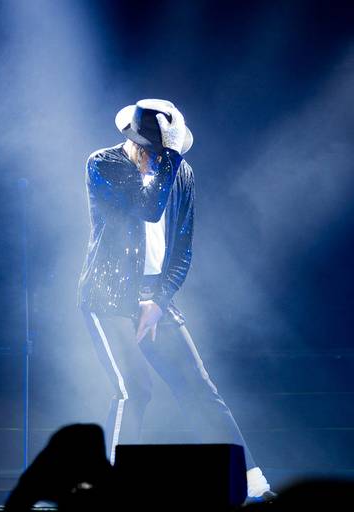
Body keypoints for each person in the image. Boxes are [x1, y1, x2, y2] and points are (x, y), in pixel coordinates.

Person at [77, 98, 274, 500]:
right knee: (134, 389)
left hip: (154, 295)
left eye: (167, 152)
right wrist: (168, 157)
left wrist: (159, 301)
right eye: (157, 151)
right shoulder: (104, 164)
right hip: (109, 294)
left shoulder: (181, 172)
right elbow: (148, 209)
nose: (161, 158)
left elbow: (183, 248)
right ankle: (105, 489)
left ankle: (251, 482)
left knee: (199, 387)